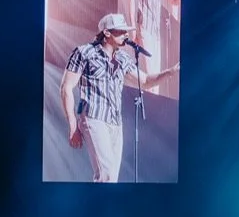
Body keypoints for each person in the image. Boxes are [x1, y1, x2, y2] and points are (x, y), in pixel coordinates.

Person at [61, 12, 177, 183]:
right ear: (107, 32)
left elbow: (144, 81)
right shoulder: (84, 52)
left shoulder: (123, 58)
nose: (126, 34)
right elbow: (66, 88)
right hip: (94, 118)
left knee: (111, 178)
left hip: (115, 123)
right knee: (106, 174)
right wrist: (72, 126)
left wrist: (171, 72)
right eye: (121, 31)